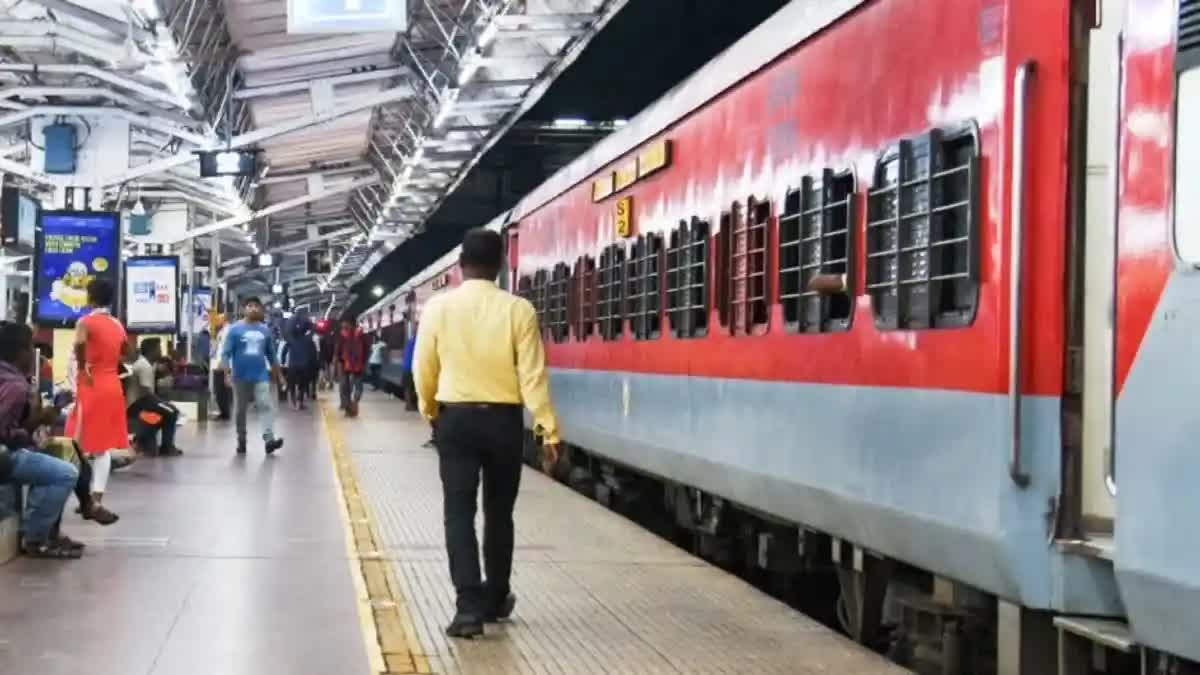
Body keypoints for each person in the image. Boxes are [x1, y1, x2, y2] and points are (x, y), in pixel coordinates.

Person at [414, 227, 561, 639]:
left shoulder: (439, 309)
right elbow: (533, 375)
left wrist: (430, 409)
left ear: (461, 265)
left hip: (456, 420)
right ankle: (497, 597)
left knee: (458, 513)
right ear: (500, 265)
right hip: (503, 421)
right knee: (499, 513)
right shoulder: (519, 310)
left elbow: (423, 367)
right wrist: (548, 430)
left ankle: (467, 610)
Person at [0, 321, 83, 558]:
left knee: (65, 455)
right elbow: (5, 432)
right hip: (7, 455)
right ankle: (36, 538)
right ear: (21, 352)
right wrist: (39, 421)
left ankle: (49, 532)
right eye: (30, 347)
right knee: (64, 472)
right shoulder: (15, 385)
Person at [64, 279, 132, 513]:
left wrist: (83, 367)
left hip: (91, 385)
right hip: (112, 385)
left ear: (91, 297)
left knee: (75, 442)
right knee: (102, 447)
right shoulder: (117, 324)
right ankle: (97, 498)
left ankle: (83, 498)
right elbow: (126, 351)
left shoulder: (85, 322)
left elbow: (80, 344)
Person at [221, 297, 285, 455]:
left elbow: (272, 356)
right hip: (240, 377)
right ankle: (241, 440)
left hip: (260, 376)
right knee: (240, 410)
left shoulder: (265, 330)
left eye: (257, 306)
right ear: (244, 309)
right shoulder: (235, 330)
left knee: (265, 405)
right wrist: (227, 374)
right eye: (250, 306)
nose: (254, 309)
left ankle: (269, 440)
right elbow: (225, 354)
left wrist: (280, 376)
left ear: (261, 310)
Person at [126, 338, 183, 456]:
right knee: (172, 411)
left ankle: (147, 442)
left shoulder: (145, 364)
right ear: (151, 351)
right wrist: (162, 403)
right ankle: (167, 447)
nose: (161, 352)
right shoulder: (144, 366)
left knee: (166, 410)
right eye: (159, 349)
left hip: (140, 403)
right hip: (137, 405)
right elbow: (146, 392)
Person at [283, 313, 318, 410]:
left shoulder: (291, 340)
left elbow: (284, 351)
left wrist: (282, 361)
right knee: (302, 385)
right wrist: (311, 326)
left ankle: (293, 402)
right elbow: (313, 353)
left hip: (293, 365)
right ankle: (300, 402)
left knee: (292, 384)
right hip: (304, 365)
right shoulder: (309, 340)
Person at [333, 319, 366, 417]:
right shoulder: (360, 334)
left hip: (345, 365)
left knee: (345, 388)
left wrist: (335, 368)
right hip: (358, 365)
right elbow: (366, 350)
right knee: (358, 387)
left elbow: (337, 353)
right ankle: (355, 402)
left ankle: (348, 409)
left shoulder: (341, 336)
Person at [211, 314, 232, 420]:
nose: (216, 321)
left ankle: (225, 413)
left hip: (223, 364)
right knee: (221, 390)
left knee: (221, 390)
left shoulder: (227, 331)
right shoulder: (222, 331)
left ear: (224, 320)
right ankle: (223, 412)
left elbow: (225, 350)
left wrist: (222, 365)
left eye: (218, 319)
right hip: (220, 363)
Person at [400, 330, 418, 412]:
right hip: (411, 368)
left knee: (408, 388)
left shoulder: (410, 341)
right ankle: (409, 406)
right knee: (411, 388)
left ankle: (409, 405)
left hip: (406, 368)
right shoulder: (416, 342)